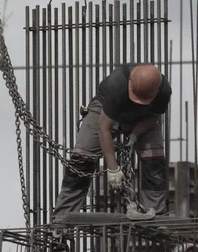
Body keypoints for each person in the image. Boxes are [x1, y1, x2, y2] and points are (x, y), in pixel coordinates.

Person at [52, 62, 172, 222]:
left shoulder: (164, 92)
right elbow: (104, 128)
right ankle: (61, 219)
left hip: (143, 117)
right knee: (81, 158)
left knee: (154, 158)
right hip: (104, 111)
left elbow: (154, 117)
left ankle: (156, 216)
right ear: (130, 82)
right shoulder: (117, 84)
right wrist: (113, 169)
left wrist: (135, 135)